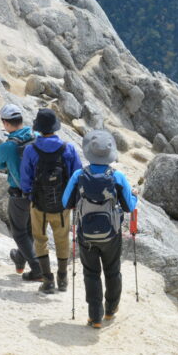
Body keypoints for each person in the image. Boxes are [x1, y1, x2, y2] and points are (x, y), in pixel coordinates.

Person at [62, 130, 137, 329]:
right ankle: (111, 310)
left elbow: (65, 201)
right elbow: (129, 206)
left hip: (85, 233)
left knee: (91, 273)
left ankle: (94, 317)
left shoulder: (79, 175)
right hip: (111, 234)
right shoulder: (117, 176)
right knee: (113, 271)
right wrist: (135, 196)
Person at [21, 108, 82, 294]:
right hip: (62, 205)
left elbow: (25, 178)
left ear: (38, 128)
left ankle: (48, 281)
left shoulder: (31, 149)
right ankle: (63, 278)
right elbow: (76, 175)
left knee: (40, 238)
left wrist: (29, 194)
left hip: (38, 204)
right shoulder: (68, 148)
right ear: (55, 127)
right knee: (62, 239)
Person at [0, 104, 42, 281]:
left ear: (5, 123)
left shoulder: (8, 146)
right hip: (40, 193)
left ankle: (37, 269)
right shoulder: (36, 137)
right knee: (29, 230)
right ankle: (20, 259)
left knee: (19, 232)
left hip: (19, 195)